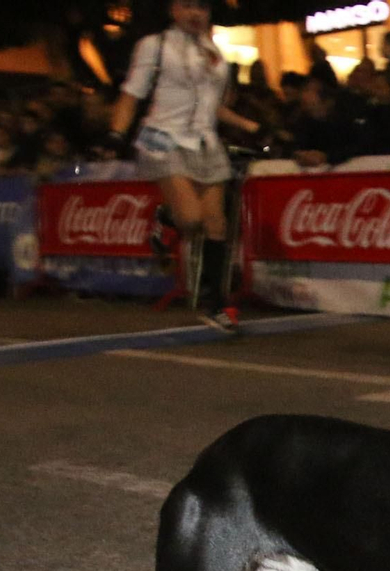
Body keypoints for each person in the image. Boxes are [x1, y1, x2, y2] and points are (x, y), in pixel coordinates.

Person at [105, 0, 265, 332]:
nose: (195, 14)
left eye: (202, 8)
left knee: (217, 223)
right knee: (191, 219)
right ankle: (166, 219)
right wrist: (115, 133)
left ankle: (217, 304)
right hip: (164, 138)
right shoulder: (155, 45)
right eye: (187, 6)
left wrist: (251, 126)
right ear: (173, 10)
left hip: (205, 141)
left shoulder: (214, 53)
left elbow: (213, 107)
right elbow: (131, 94)